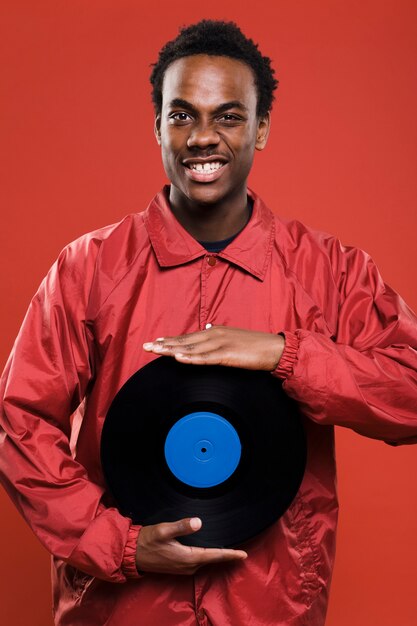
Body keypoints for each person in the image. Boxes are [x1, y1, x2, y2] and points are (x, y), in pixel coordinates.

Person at [1, 18, 416, 626]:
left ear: (262, 128)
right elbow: (19, 419)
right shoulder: (87, 267)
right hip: (122, 610)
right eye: (181, 115)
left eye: (228, 115)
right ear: (157, 127)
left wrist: (286, 354)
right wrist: (112, 542)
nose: (203, 137)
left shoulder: (331, 270)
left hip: (273, 607)